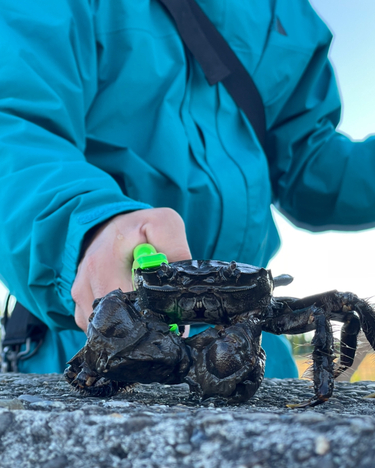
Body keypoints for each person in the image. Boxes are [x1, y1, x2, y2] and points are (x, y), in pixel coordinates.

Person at [1, 0, 374, 377]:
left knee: (342, 306)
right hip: (99, 328)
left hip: (255, 350)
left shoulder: (285, 10)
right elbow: (14, 121)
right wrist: (84, 227)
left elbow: (310, 162)